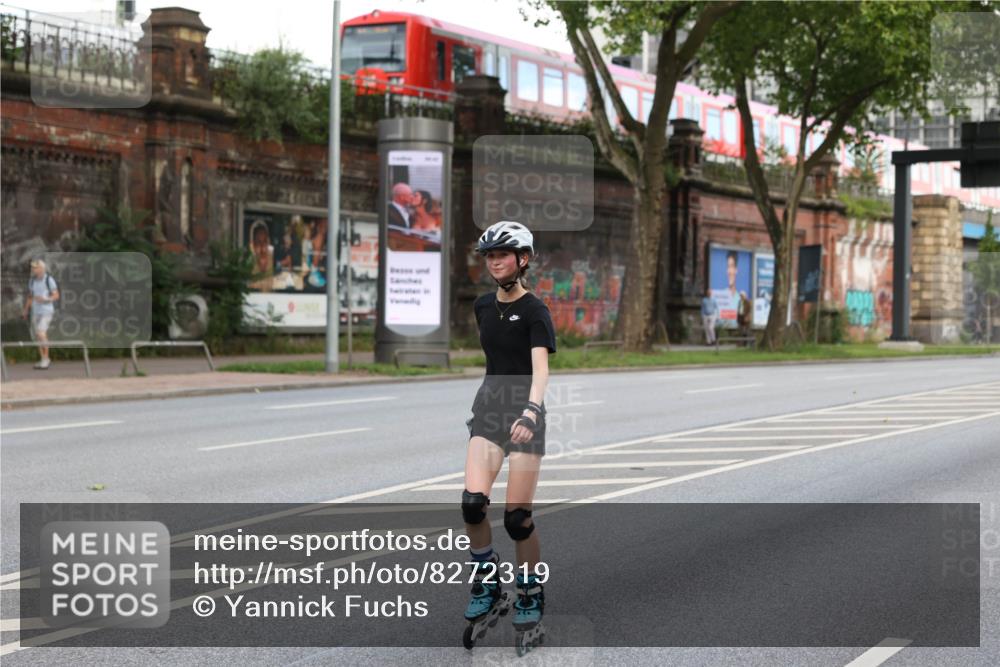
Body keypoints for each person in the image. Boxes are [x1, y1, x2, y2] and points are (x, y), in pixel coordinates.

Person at [462, 220, 556, 654]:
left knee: (517, 519)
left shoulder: (536, 310)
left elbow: (540, 371)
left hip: (524, 414)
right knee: (472, 505)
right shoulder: (483, 306)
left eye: (503, 254)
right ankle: (488, 583)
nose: (495, 261)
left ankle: (530, 591)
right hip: (489, 411)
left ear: (523, 259)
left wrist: (532, 411)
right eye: (490, 255)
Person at [21, 259, 59, 370]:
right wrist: (25, 310)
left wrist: (45, 299)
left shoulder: (49, 280)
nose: (33, 269)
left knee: (41, 333)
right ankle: (43, 359)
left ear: (42, 268)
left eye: (35, 268)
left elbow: (56, 295)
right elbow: (30, 296)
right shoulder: (32, 281)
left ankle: (46, 359)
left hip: (47, 311)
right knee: (37, 336)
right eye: (32, 268)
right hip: (35, 311)